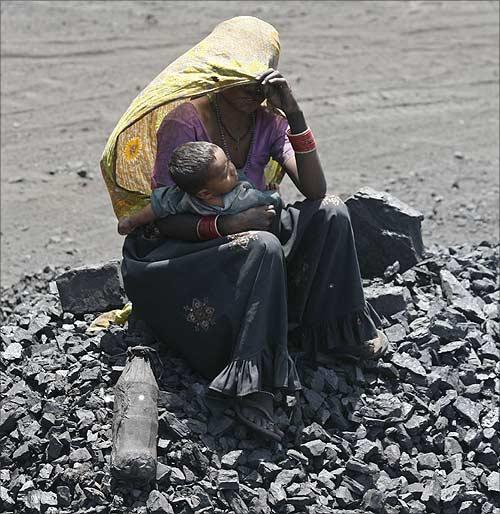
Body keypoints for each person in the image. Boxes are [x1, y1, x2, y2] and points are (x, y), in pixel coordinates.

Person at [101, 17, 387, 442]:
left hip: (251, 235)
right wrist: (228, 224)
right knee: (263, 245)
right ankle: (251, 384)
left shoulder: (269, 121)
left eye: (261, 80)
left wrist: (295, 114)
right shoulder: (186, 122)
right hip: (182, 252)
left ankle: (335, 332)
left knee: (331, 211)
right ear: (220, 75)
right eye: (243, 80)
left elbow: (314, 188)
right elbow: (166, 214)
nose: (255, 90)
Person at [117, 141, 281, 236]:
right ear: (205, 193)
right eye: (225, 174)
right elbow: (267, 201)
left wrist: (131, 222)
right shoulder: (241, 195)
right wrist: (273, 194)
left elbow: (158, 205)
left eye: (228, 161)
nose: (232, 169)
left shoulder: (179, 198)